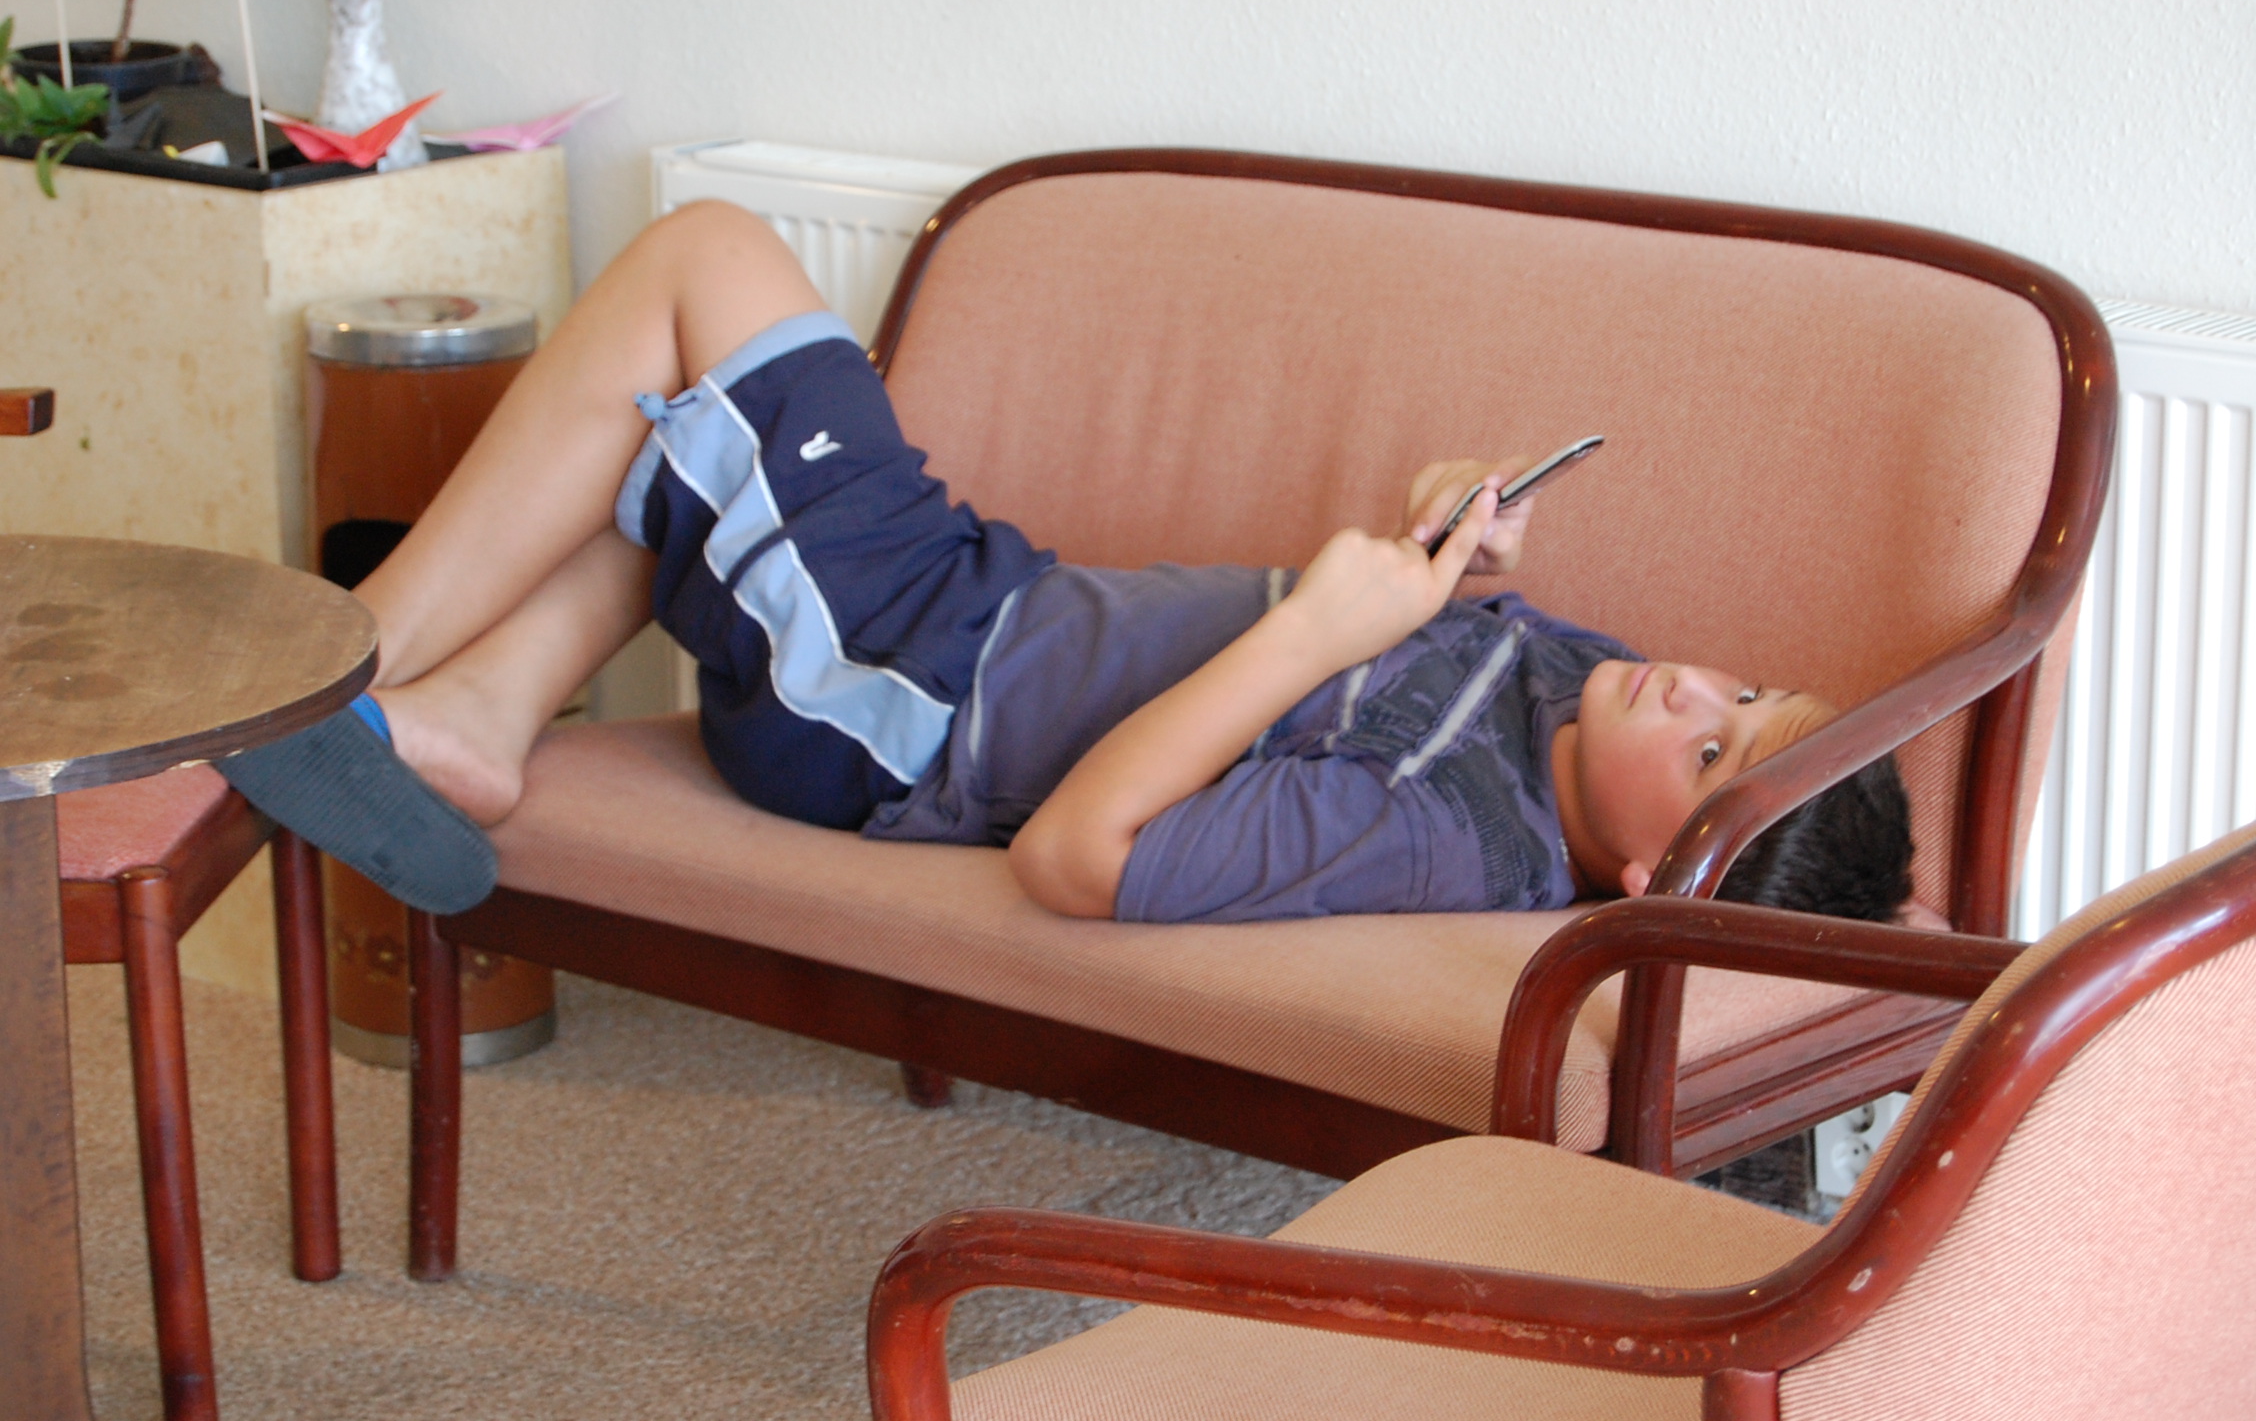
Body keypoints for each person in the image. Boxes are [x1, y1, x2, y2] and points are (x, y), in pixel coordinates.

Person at [219, 201, 1913, 926]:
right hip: (971, 602)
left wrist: (1319, 625)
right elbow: (1415, 656)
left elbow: (1080, 857)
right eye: (1748, 692)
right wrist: (1451, 546)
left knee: (701, 259)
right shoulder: (1579, 695)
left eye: (1714, 753)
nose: (1693, 692)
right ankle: (483, 717)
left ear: (1650, 881)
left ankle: (328, 665)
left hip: (906, 707)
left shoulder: (1443, 835)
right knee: (683, 425)